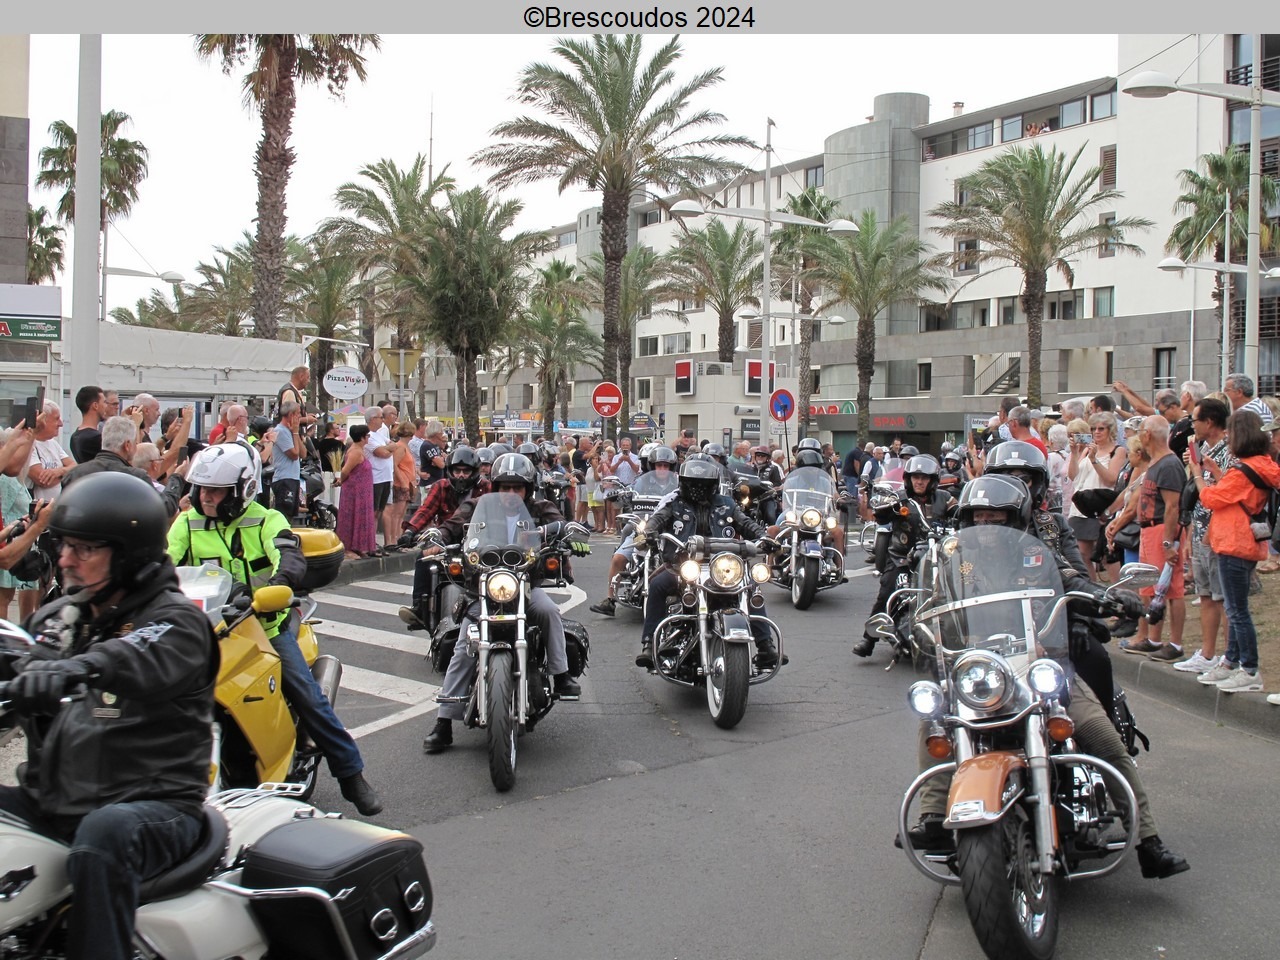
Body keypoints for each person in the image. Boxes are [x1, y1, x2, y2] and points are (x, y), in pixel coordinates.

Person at [899, 476, 1188, 884]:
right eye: (979, 517)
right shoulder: (952, 561)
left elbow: (1072, 580)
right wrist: (911, 621)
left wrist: (1105, 596)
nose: (987, 526)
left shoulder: (1036, 556)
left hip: (1037, 666)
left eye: (996, 517)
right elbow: (928, 601)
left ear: (1015, 519)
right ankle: (932, 816)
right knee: (935, 720)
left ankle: (1148, 839)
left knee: (1100, 735)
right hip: (981, 675)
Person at [0, 472, 218, 960]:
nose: (65, 559)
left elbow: (127, 654)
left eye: (84, 549)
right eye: (65, 545)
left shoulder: (176, 622)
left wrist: (69, 671)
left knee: (105, 834)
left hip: (153, 807)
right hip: (55, 800)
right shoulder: (61, 617)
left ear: (129, 555)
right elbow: (18, 655)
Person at [168, 442, 382, 815]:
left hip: (265, 626)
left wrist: (276, 586)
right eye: (202, 489)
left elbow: (290, 557)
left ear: (243, 489)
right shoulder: (187, 523)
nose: (205, 497)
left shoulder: (267, 520)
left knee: (308, 697)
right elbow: (164, 565)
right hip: (204, 631)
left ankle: (351, 775)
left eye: (216, 491)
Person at [422, 453, 586, 753]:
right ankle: (443, 722)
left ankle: (561, 675)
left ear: (528, 489)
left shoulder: (540, 508)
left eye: (517, 488)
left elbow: (561, 524)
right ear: (495, 487)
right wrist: (437, 536)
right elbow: (453, 525)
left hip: (524, 587)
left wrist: (566, 533)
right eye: (505, 487)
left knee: (549, 610)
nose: (511, 493)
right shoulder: (477, 506)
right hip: (483, 590)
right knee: (464, 644)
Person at [635, 457, 779, 671]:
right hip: (683, 565)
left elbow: (746, 523)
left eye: (703, 484)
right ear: (684, 482)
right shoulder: (674, 504)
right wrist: (648, 533)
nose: (697, 489)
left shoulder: (727, 504)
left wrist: (764, 537)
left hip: (722, 567)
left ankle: (765, 645)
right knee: (657, 585)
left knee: (750, 587)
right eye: (693, 483)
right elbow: (657, 520)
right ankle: (649, 644)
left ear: (713, 485)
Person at [1193, 409, 1280, 692]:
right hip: (1243, 541)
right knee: (1234, 608)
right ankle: (1230, 661)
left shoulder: (1243, 470)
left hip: (1234, 542)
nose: (1228, 438)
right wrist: (1218, 473)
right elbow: (1236, 492)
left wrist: (1198, 475)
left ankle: (1249, 669)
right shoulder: (1262, 464)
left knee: (1237, 610)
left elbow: (1211, 498)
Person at [855, 453, 951, 657]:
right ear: (908, 479)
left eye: (924, 478)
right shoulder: (900, 498)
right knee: (887, 590)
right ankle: (868, 639)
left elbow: (960, 513)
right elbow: (880, 517)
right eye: (916, 477)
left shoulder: (945, 498)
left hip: (938, 557)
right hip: (903, 558)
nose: (919, 481)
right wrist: (886, 507)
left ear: (933, 480)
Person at [397, 446, 491, 629]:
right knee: (424, 558)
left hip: (480, 542)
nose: (461, 475)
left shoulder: (487, 488)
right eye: (457, 471)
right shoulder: (441, 486)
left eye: (466, 471)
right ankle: (420, 608)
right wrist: (410, 531)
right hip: (445, 540)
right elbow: (425, 510)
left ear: (474, 472)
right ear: (450, 471)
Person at [1174, 397, 1231, 674]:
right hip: (1199, 528)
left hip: (1218, 531)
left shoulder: (1229, 451)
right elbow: (1195, 495)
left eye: (1195, 420)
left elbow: (1224, 491)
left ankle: (1230, 656)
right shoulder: (1202, 449)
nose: (1192, 426)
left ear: (1210, 422)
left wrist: (1199, 472)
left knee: (1223, 598)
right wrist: (1189, 534)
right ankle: (1207, 654)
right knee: (1206, 593)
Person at [588, 445, 679, 617]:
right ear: (652, 466)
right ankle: (610, 600)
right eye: (659, 465)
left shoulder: (678, 484)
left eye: (665, 466)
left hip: (668, 531)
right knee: (618, 558)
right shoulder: (641, 481)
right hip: (643, 528)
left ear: (671, 467)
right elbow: (629, 490)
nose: (662, 469)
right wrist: (619, 494)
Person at [335, 424, 378, 559]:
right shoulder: (355, 452)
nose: (369, 438)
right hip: (354, 491)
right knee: (352, 517)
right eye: (367, 436)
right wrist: (341, 481)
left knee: (361, 518)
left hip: (363, 491)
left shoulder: (360, 450)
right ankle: (348, 548)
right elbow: (345, 471)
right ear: (362, 437)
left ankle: (358, 546)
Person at [26, 400, 74, 502]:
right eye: (56, 419)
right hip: (39, 507)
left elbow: (75, 467)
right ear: (42, 420)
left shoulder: (53, 443)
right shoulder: (28, 445)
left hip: (56, 505)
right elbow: (42, 480)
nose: (61, 424)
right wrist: (67, 474)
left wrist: (58, 472)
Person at [266, 401, 305, 520]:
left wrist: (295, 433)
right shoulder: (280, 431)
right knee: (283, 515)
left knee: (290, 515)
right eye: (298, 413)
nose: (300, 417)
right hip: (284, 479)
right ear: (291, 415)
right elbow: (294, 454)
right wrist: (295, 432)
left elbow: (303, 453)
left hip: (293, 478)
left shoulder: (290, 431)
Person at [68, 384, 108, 463]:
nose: (106, 406)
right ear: (95, 405)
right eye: (104, 402)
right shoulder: (96, 438)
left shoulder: (75, 437)